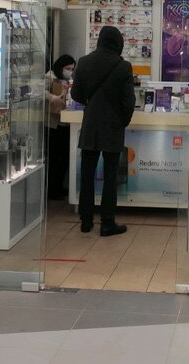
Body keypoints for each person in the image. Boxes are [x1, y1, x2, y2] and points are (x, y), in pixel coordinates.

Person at [70, 25, 135, 236]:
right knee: (110, 176)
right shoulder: (123, 67)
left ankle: (86, 220)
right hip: (113, 127)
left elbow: (76, 94)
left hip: (90, 125)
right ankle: (107, 222)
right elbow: (128, 101)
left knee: (87, 175)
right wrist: (122, 121)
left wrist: (91, 104)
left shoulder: (84, 62)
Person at [44, 54, 76, 200]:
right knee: (54, 157)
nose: (70, 71)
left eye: (72, 69)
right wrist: (53, 98)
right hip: (53, 123)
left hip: (66, 123)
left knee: (65, 157)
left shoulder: (69, 80)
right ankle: (51, 189)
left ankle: (59, 186)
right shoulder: (50, 76)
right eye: (68, 68)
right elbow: (40, 91)